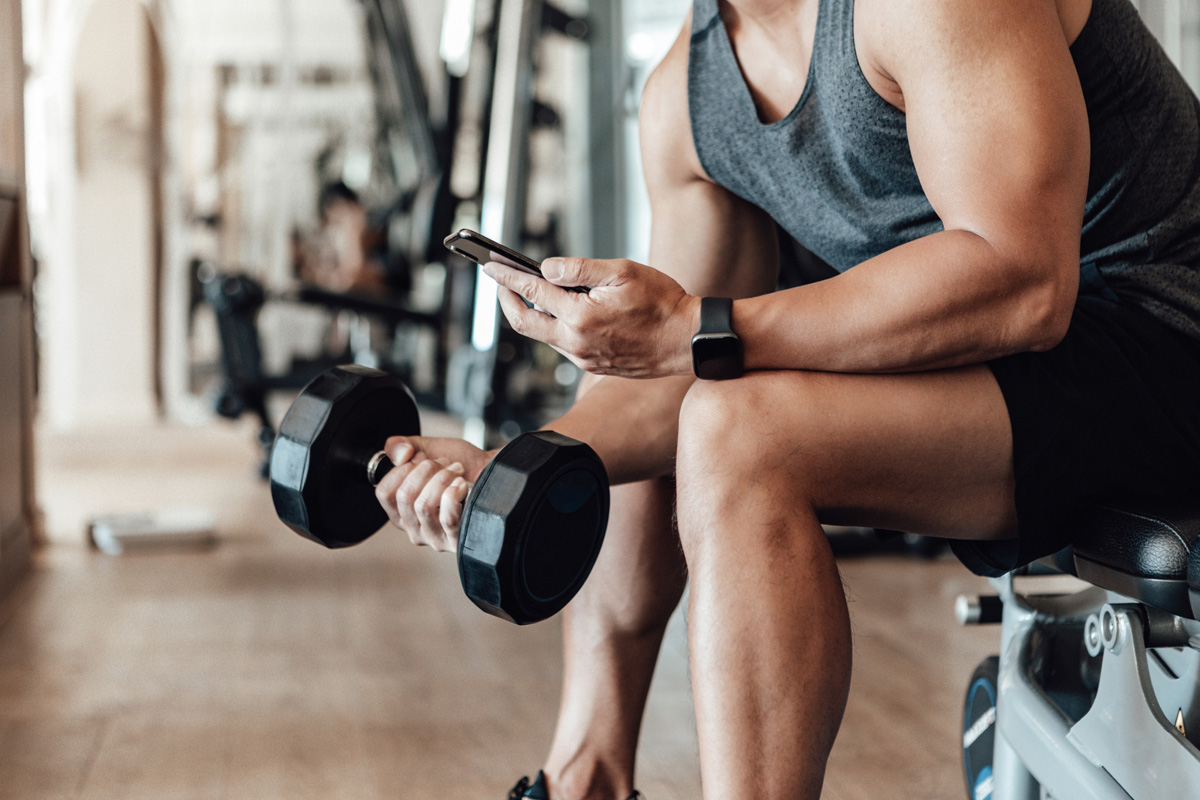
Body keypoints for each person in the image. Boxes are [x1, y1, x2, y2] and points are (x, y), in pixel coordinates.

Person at [373, 0, 1200, 795]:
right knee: (691, 386)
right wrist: (511, 464)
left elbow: (1022, 282)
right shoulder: (687, 97)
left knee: (736, 424)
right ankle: (583, 777)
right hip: (1022, 371)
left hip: (1167, 338)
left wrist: (692, 330)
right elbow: (669, 367)